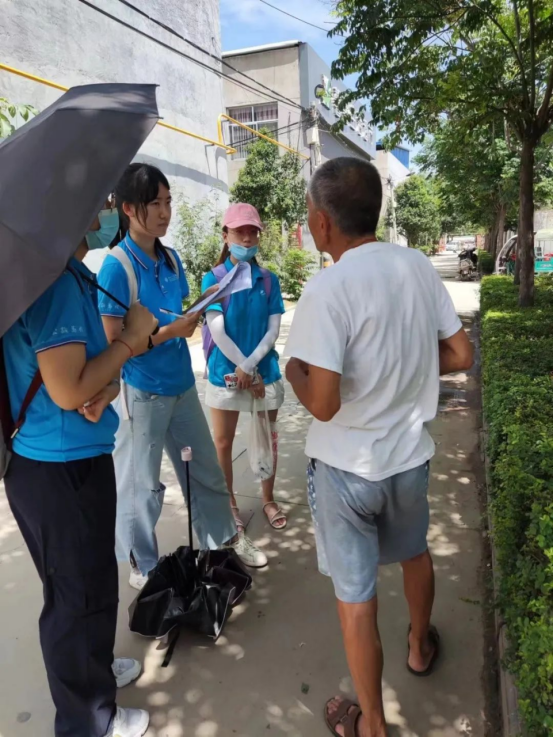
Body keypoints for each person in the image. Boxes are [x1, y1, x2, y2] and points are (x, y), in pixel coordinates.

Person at [284, 158, 474, 737]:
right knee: (415, 553)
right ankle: (419, 646)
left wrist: (292, 371)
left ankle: (372, 724)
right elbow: (460, 355)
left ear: (322, 222)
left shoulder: (327, 288)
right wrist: (408, 369)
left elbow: (323, 403)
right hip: (408, 460)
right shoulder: (415, 266)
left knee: (356, 599)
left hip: (346, 472)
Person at [2, 204, 158, 737]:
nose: (105, 211)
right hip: (59, 467)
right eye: (96, 201)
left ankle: (95, 671)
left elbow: (84, 374)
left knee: (89, 582)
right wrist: (131, 339)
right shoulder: (54, 284)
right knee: (75, 598)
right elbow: (69, 390)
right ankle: (88, 720)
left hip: (59, 461)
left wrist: (108, 384)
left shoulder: (64, 273)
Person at [97, 165, 267, 590]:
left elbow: (176, 313)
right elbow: (114, 344)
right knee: (140, 485)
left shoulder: (171, 258)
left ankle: (222, 542)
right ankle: (143, 564)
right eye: (154, 203)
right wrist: (171, 332)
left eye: (168, 202)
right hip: (142, 392)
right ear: (129, 209)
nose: (164, 212)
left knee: (205, 471)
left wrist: (197, 311)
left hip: (181, 384)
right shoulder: (117, 267)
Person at [201, 203, 287, 531]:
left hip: (264, 372)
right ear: (225, 235)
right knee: (223, 442)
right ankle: (230, 504)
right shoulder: (213, 279)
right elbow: (217, 331)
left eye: (253, 232)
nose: (247, 239)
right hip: (226, 373)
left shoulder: (268, 280)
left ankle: (268, 498)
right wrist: (243, 368)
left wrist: (251, 368)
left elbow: (273, 330)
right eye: (240, 232)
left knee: (267, 437)